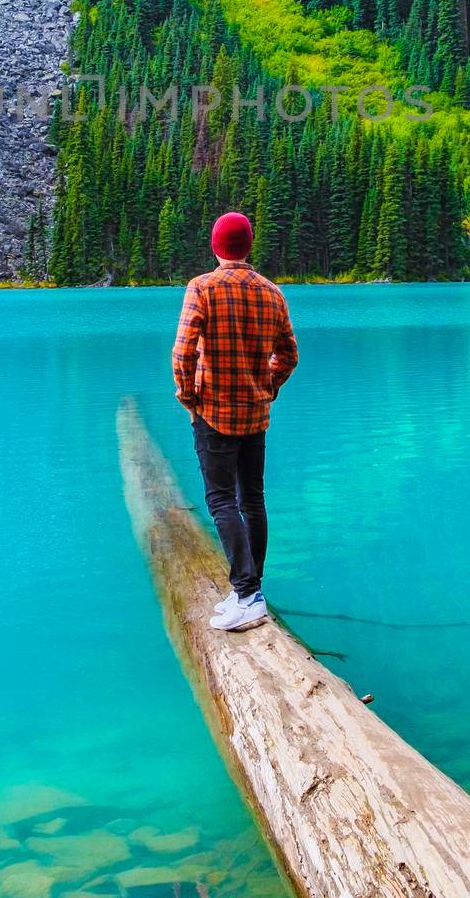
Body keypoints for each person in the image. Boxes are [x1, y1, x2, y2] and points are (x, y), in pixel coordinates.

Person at [171, 211, 299, 632]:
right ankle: (251, 589)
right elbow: (289, 355)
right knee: (252, 500)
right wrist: (268, 387)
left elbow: (182, 353)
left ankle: (246, 593)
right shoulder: (272, 293)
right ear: (248, 246)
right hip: (255, 414)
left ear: (216, 246)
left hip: (214, 413)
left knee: (221, 501)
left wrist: (189, 398)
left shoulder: (202, 288)